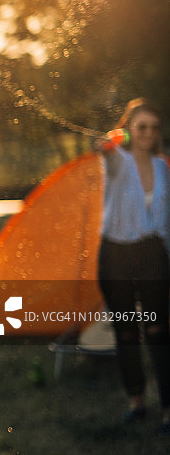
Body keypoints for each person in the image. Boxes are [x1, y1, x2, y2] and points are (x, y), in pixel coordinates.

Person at [96, 98, 170, 434]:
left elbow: (165, 220)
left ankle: (168, 408)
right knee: (126, 330)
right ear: (130, 129)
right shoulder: (117, 161)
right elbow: (104, 149)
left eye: (154, 128)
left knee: (157, 330)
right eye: (141, 127)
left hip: (153, 251)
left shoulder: (161, 167)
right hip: (116, 253)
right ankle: (137, 402)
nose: (148, 133)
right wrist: (113, 140)